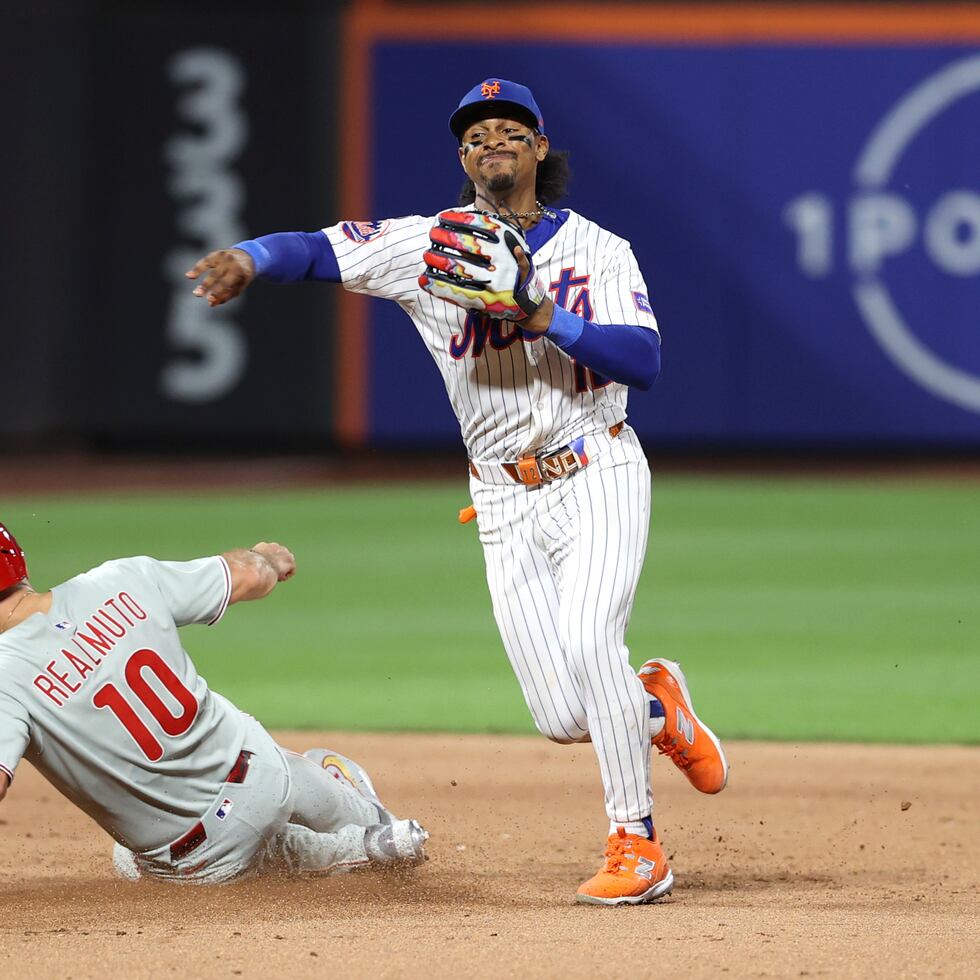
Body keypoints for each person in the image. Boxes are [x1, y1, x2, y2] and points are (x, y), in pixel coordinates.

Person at [186, 77, 728, 905]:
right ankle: (660, 709)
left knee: (591, 644)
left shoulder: (601, 249)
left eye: (511, 129)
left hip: (599, 465)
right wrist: (250, 259)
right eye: (476, 136)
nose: (492, 142)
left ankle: (637, 843)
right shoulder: (425, 244)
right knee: (562, 716)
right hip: (503, 496)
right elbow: (317, 249)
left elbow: (645, 363)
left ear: (541, 149)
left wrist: (545, 317)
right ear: (463, 158)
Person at [0, 521, 428, 884]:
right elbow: (249, 575)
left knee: (131, 859)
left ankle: (353, 850)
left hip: (200, 855)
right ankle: (371, 822)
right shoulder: (121, 579)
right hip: (262, 767)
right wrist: (268, 559)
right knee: (287, 772)